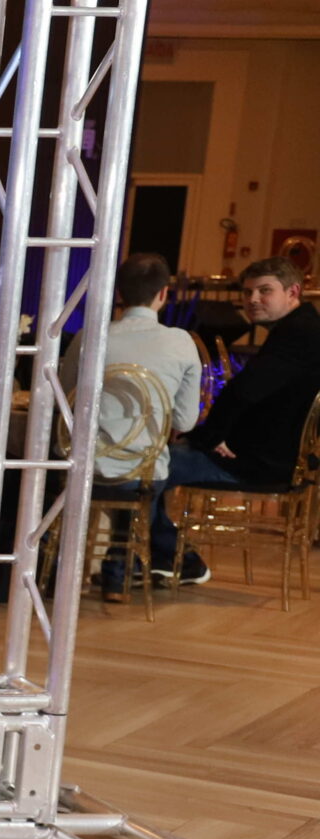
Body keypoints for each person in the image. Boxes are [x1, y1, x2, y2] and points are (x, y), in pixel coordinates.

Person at [155, 256, 320, 584]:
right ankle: (161, 558)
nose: (253, 299)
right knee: (152, 463)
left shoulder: (299, 333)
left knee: (144, 467)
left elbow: (244, 392)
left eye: (264, 291)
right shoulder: (303, 327)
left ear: (293, 292)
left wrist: (207, 438)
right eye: (247, 292)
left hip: (260, 461)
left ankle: (166, 559)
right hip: (272, 453)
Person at [91, 253, 199, 601]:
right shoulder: (181, 342)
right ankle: (120, 573)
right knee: (147, 468)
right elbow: (184, 421)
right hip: (143, 469)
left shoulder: (92, 336)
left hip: (85, 466)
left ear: (119, 293)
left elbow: (65, 399)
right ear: (164, 294)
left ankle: (49, 570)